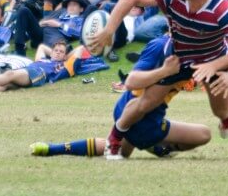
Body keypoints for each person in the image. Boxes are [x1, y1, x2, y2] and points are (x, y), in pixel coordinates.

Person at [88, 0, 228, 158]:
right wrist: (109, 29)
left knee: (220, 111)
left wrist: (214, 65)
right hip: (178, 58)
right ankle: (114, 139)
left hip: (212, 60)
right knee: (146, 102)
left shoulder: (222, 9)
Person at [29, 34, 211, 159]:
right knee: (204, 134)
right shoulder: (162, 47)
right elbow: (132, 81)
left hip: (128, 110)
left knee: (122, 151)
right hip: (142, 118)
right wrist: (165, 71)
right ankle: (153, 145)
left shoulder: (186, 51)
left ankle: (52, 149)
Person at [0, 41, 81, 92]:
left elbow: (80, 49)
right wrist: (53, 53)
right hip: (28, 70)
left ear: (65, 56)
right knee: (7, 85)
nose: (57, 52)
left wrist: (65, 57)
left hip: (39, 73)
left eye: (61, 51)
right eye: (55, 50)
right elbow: (41, 47)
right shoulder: (42, 59)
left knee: (9, 74)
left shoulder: (64, 65)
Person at [14, 0, 87, 56]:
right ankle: (19, 50)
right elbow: (46, 19)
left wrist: (59, 25)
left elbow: (78, 32)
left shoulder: (80, 20)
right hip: (41, 33)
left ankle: (61, 49)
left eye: (74, 5)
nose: (71, 7)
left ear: (81, 9)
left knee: (51, 30)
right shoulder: (61, 13)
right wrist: (42, 23)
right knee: (23, 10)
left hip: (54, 36)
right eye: (69, 5)